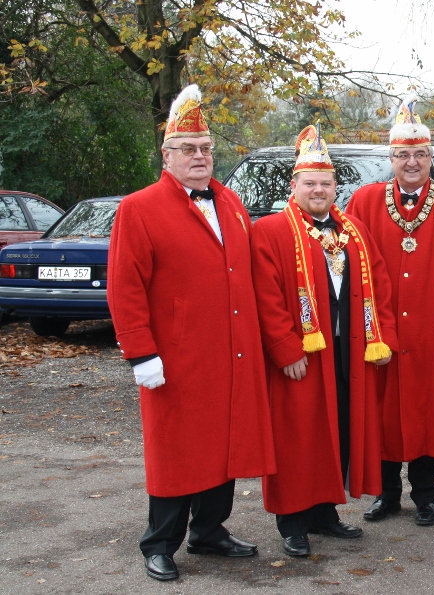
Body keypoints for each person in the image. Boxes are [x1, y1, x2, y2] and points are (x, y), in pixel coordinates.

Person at [108, 85, 276, 581]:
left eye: (205, 148)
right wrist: (141, 353)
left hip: (232, 353)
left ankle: (209, 530)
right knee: (177, 451)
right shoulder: (139, 208)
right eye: (188, 149)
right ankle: (159, 542)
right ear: (167, 156)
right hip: (177, 357)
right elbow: (124, 287)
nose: (199, 156)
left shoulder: (231, 202)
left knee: (225, 446)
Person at [250, 126, 398, 558]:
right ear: (293, 185)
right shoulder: (271, 231)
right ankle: (293, 522)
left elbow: (380, 287)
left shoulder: (353, 231)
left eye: (326, 183)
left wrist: (382, 339)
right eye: (310, 183)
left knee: (336, 432)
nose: (318, 190)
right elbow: (265, 296)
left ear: (336, 187)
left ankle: (324, 513)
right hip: (302, 354)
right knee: (297, 437)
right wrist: (285, 348)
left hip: (347, 351)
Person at [346, 97, 434, 527]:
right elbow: (352, 261)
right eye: (403, 155)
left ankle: (426, 495)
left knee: (428, 410)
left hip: (431, 330)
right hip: (379, 329)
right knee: (382, 410)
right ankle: (386, 494)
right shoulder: (364, 202)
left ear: (430, 157)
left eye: (420, 154)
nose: (412, 163)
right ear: (391, 158)